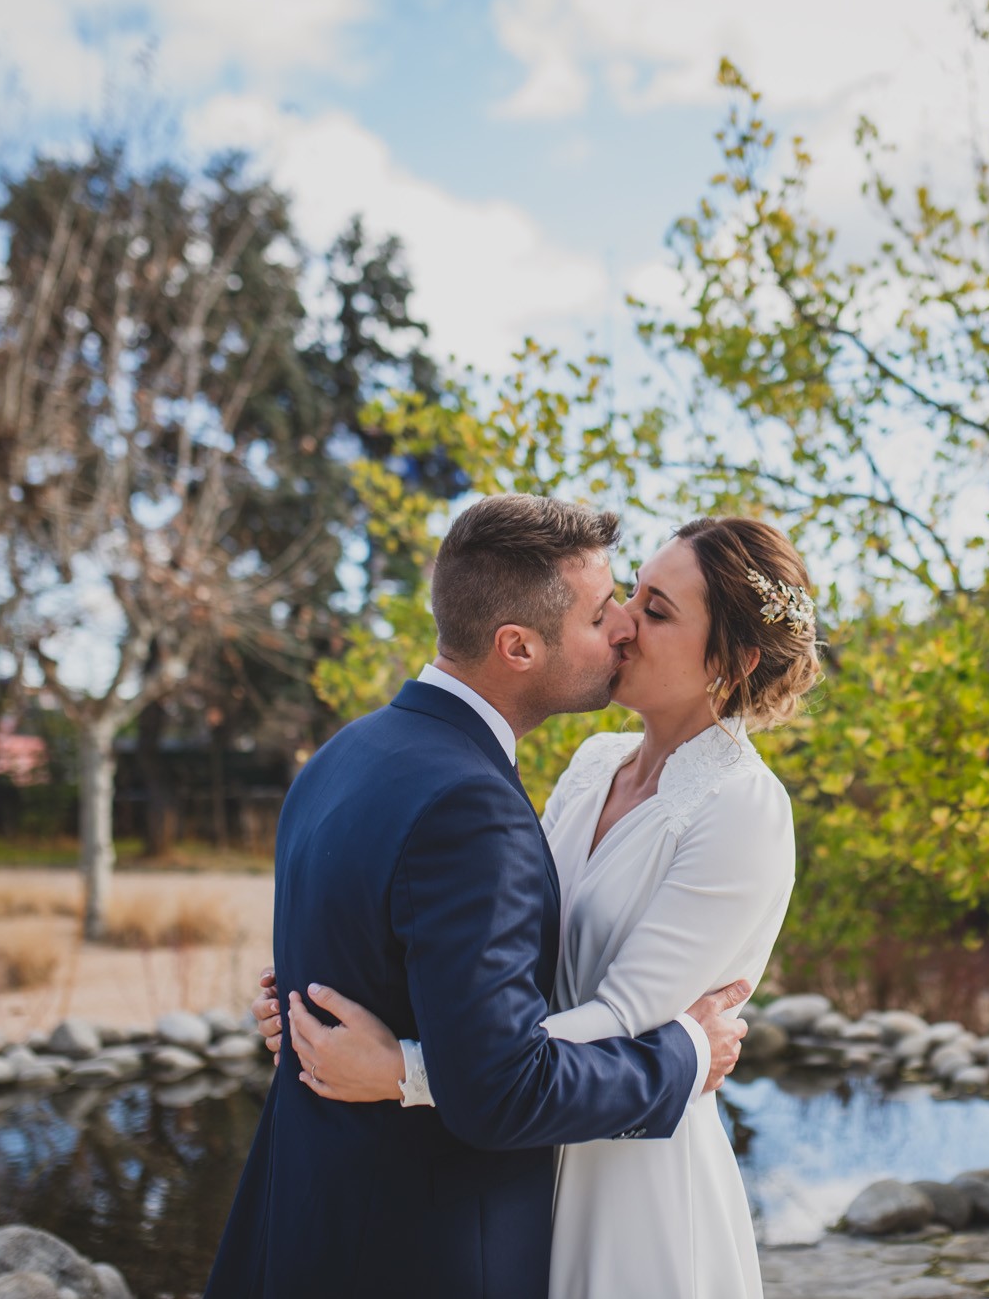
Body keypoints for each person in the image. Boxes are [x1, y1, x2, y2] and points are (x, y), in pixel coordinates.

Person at [253, 515, 821, 1299]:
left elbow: (626, 1015)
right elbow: (499, 948)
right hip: (522, 1143)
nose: (623, 625)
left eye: (655, 612)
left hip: (627, 1174)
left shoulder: (743, 810)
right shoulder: (594, 763)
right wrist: (324, 992)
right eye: (623, 599)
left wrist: (406, 1070)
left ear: (735, 659)